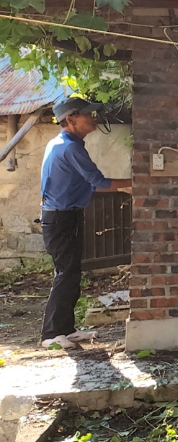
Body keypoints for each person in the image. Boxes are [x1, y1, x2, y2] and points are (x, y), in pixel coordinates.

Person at [38, 96, 132, 349]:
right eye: (87, 114)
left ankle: (66, 330)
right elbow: (99, 182)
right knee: (65, 273)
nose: (93, 118)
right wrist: (138, 183)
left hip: (61, 215)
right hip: (61, 217)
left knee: (70, 272)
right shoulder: (70, 148)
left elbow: (91, 184)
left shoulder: (61, 144)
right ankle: (51, 334)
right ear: (70, 120)